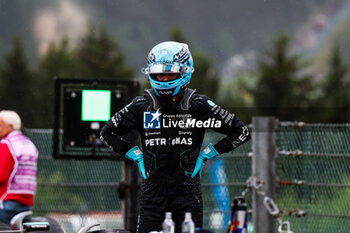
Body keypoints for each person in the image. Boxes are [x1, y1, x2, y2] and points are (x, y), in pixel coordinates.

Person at [100, 41, 251, 233]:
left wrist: (207, 153)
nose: (163, 80)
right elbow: (106, 133)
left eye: (169, 74)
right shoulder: (141, 106)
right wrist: (135, 154)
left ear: (184, 72)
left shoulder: (198, 105)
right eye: (159, 74)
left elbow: (242, 132)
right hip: (152, 198)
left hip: (188, 198)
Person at [0, 110, 38, 224]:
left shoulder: (6, 144)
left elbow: (1, 175)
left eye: (0, 125)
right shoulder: (30, 144)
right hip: (26, 203)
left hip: (7, 201)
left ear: (10, 126)